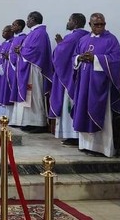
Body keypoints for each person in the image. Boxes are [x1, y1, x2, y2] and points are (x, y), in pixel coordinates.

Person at [72, 13, 120, 157]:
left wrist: (96, 59)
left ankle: (101, 148)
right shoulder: (83, 40)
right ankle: (85, 144)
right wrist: (79, 58)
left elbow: (115, 59)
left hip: (100, 84)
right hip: (84, 82)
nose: (100, 27)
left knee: (99, 112)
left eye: (102, 24)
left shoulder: (111, 40)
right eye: (96, 25)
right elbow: (74, 57)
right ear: (90, 25)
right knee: (82, 110)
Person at [49, 13, 88, 147]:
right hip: (80, 77)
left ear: (76, 22)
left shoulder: (73, 37)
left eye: (70, 20)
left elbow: (60, 55)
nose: (68, 22)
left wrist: (60, 44)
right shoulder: (86, 35)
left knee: (68, 106)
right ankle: (76, 136)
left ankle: (71, 135)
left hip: (69, 78)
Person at [11, 11, 53, 133]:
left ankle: (39, 123)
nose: (27, 21)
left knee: (34, 95)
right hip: (28, 67)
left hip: (34, 68)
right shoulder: (34, 32)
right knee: (28, 96)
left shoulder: (40, 33)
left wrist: (22, 50)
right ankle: (29, 121)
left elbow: (36, 51)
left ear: (33, 19)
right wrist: (21, 50)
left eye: (28, 19)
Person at [0, 25, 14, 118]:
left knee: (6, 93)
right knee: (0, 92)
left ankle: (7, 115)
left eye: (5, 31)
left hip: (7, 72)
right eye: (2, 31)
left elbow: (9, 57)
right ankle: (0, 114)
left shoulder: (13, 42)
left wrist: (2, 65)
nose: (3, 33)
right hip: (0, 72)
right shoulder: (4, 43)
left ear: (10, 32)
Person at [7, 19, 27, 107]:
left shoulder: (23, 37)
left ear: (19, 26)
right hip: (11, 65)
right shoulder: (16, 38)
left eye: (14, 25)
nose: (12, 27)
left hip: (17, 66)